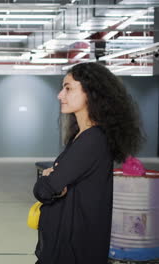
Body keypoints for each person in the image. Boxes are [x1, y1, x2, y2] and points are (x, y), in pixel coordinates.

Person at [33, 62, 144, 264]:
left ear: (92, 93)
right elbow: (55, 185)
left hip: (75, 251)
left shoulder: (92, 140)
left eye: (68, 88)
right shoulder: (83, 136)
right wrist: (52, 181)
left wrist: (48, 180)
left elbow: (45, 189)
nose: (60, 95)